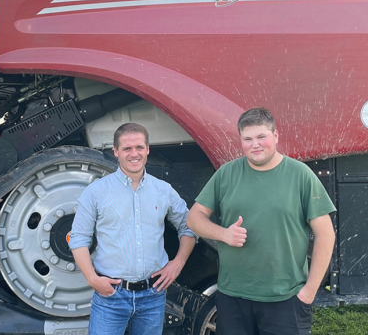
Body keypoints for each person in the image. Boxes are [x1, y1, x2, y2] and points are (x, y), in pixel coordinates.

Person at [187, 107, 336, 335]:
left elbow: (326, 234)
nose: (254, 144)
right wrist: (223, 234)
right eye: (247, 139)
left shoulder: (300, 175)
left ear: (275, 136)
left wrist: (310, 291)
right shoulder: (227, 174)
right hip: (233, 297)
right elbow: (194, 218)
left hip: (285, 298)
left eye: (261, 137)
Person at [70, 122, 197, 335]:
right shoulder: (96, 192)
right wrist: (92, 279)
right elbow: (78, 239)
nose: (134, 154)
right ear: (116, 152)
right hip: (111, 295)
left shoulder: (163, 190)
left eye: (139, 147)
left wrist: (178, 263)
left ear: (147, 149)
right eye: (127, 148)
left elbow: (189, 227)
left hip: (153, 295)